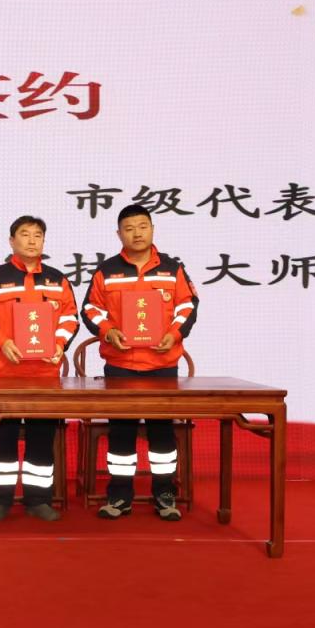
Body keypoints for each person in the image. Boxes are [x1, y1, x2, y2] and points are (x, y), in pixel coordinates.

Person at [80, 203, 200, 521]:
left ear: (152, 230)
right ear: (119, 234)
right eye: (129, 228)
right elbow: (91, 309)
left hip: (162, 365)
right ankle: (119, 496)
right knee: (122, 431)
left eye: (143, 226)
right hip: (120, 365)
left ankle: (165, 495)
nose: (137, 233)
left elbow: (187, 305)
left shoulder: (172, 269)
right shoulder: (106, 270)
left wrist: (174, 334)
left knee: (162, 432)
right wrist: (108, 331)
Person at [0, 215, 80, 522]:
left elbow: (70, 318)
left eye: (37, 235)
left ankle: (38, 500)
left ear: (44, 241)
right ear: (11, 241)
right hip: (4, 375)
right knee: (2, 437)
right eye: (25, 234)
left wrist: (60, 343)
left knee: (41, 438)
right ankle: (0, 500)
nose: (32, 240)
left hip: (45, 376)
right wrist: (1, 341)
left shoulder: (57, 279)